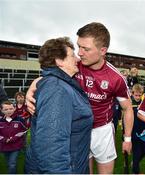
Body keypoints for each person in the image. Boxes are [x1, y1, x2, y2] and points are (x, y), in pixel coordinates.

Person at [26, 22, 134, 174]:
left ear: (103, 50)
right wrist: (34, 85)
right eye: (78, 47)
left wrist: (127, 139)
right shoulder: (75, 65)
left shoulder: (115, 78)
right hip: (76, 129)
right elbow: (53, 76)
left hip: (102, 130)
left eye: (86, 49)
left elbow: (127, 108)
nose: (80, 54)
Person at [25, 37, 93, 174]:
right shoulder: (56, 89)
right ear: (59, 61)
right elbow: (52, 147)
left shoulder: (62, 84)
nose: (77, 59)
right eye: (72, 55)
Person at [0, 100, 28, 174]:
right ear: (1, 110)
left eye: (11, 108)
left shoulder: (20, 120)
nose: (9, 111)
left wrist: (15, 137)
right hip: (4, 146)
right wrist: (4, 139)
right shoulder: (0, 121)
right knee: (9, 163)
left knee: (12, 164)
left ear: (14, 108)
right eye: (6, 109)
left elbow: (24, 130)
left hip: (15, 145)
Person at [131, 84, 145, 174]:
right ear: (132, 94)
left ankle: (134, 163)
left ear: (142, 94)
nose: (138, 97)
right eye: (136, 95)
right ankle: (136, 172)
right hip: (133, 132)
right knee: (136, 153)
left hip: (143, 131)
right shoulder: (129, 103)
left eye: (139, 95)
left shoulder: (144, 103)